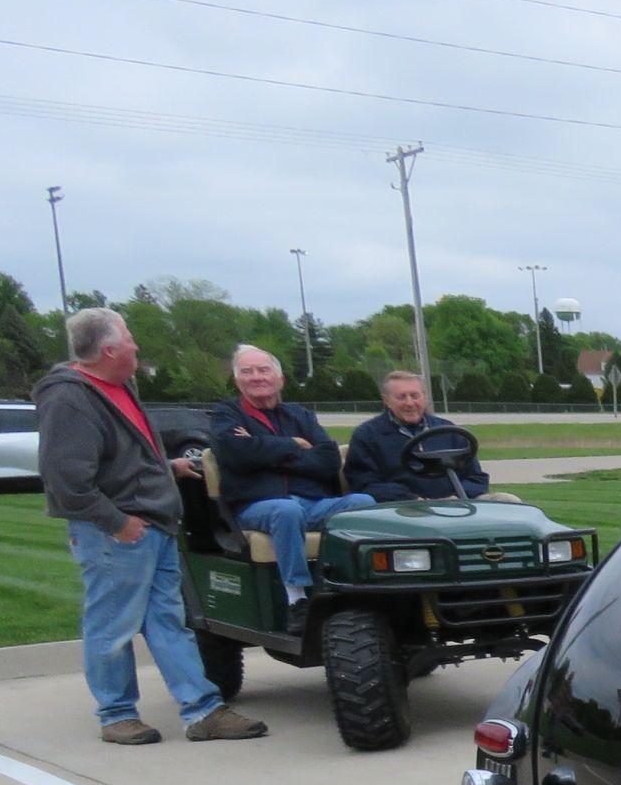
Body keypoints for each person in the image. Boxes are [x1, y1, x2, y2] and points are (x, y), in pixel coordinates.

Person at [34, 309, 266, 744]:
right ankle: (116, 715)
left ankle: (203, 711)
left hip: (155, 525)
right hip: (116, 534)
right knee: (112, 625)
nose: (136, 345)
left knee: (168, 623)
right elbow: (66, 482)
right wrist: (117, 523)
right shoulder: (70, 399)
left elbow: (120, 457)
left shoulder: (117, 388)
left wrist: (166, 468)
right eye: (128, 338)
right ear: (108, 350)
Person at [207, 344, 371, 633]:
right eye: (247, 371)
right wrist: (294, 444)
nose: (256, 377)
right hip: (257, 505)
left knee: (364, 502)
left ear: (280, 379)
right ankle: (296, 599)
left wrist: (264, 452)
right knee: (287, 511)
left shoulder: (300, 416)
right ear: (237, 380)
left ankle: (362, 588)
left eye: (263, 370)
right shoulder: (227, 414)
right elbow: (237, 454)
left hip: (314, 503)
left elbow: (329, 459)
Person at [345, 370, 489, 500]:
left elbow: (477, 478)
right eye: (401, 397)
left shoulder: (449, 431)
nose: (410, 403)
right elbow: (363, 483)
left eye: (415, 396)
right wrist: (410, 498)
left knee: (506, 500)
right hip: (402, 509)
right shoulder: (368, 435)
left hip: (455, 503)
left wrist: (456, 496)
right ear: (386, 400)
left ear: (424, 397)